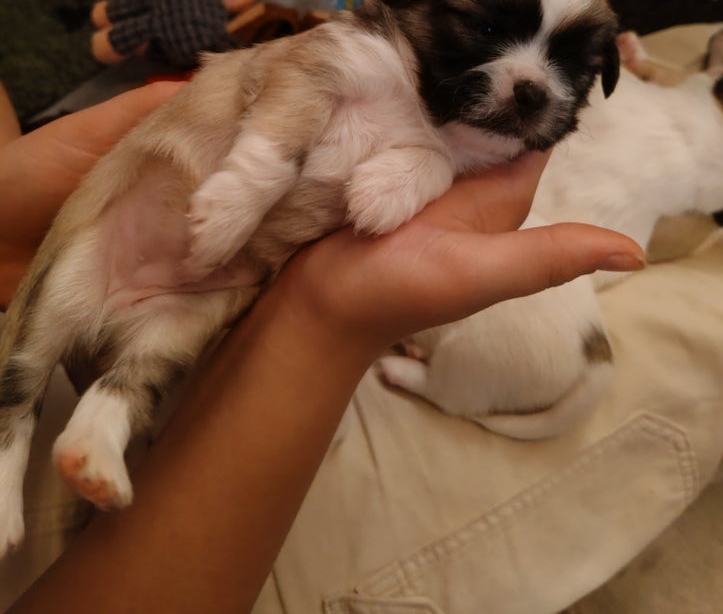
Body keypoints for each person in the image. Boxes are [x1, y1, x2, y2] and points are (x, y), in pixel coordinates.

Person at [0, 80, 644, 613]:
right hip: (174, 501)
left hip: (187, 294)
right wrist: (322, 326)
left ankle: (104, 418)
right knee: (680, 333)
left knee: (149, 351)